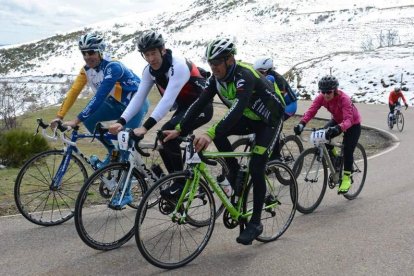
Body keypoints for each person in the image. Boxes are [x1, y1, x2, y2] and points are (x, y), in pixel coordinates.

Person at [163, 38, 285, 245]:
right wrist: (179, 129)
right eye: (210, 63)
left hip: (269, 121)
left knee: (256, 167)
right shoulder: (216, 79)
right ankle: (235, 171)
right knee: (220, 134)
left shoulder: (244, 75)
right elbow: (200, 102)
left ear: (230, 59)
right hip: (250, 118)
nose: (213, 67)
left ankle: (255, 223)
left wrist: (209, 133)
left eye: (217, 62)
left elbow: (237, 108)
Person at [109, 31, 213, 179]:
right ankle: (174, 179)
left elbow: (167, 101)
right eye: (146, 55)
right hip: (185, 107)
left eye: (153, 53)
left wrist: (145, 127)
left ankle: (179, 182)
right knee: (163, 138)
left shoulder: (178, 66)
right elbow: (139, 97)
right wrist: (121, 121)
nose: (151, 59)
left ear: (162, 50)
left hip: (202, 106)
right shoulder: (149, 71)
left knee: (167, 134)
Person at [51, 33, 149, 169]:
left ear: (100, 51)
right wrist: (59, 116)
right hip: (115, 104)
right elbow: (73, 92)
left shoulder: (113, 66)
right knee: (89, 119)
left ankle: (125, 187)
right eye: (83, 53)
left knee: (123, 144)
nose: (87, 57)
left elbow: (100, 96)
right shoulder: (86, 70)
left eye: (91, 52)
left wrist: (75, 121)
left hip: (136, 105)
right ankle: (111, 152)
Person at [293, 75, 361, 194]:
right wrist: (302, 124)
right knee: (322, 137)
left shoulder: (344, 99)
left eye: (328, 92)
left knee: (347, 150)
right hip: (337, 120)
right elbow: (311, 111)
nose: (325, 94)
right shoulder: (321, 98)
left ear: (335, 90)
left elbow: (348, 120)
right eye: (322, 92)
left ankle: (346, 178)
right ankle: (336, 160)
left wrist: (338, 128)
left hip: (353, 124)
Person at [253, 57, 298, 161]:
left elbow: (278, 103)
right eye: (256, 72)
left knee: (274, 124)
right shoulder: (264, 78)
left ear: (268, 71)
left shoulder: (278, 80)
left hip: (289, 105)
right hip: (278, 104)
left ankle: (275, 157)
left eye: (260, 72)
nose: (258, 75)